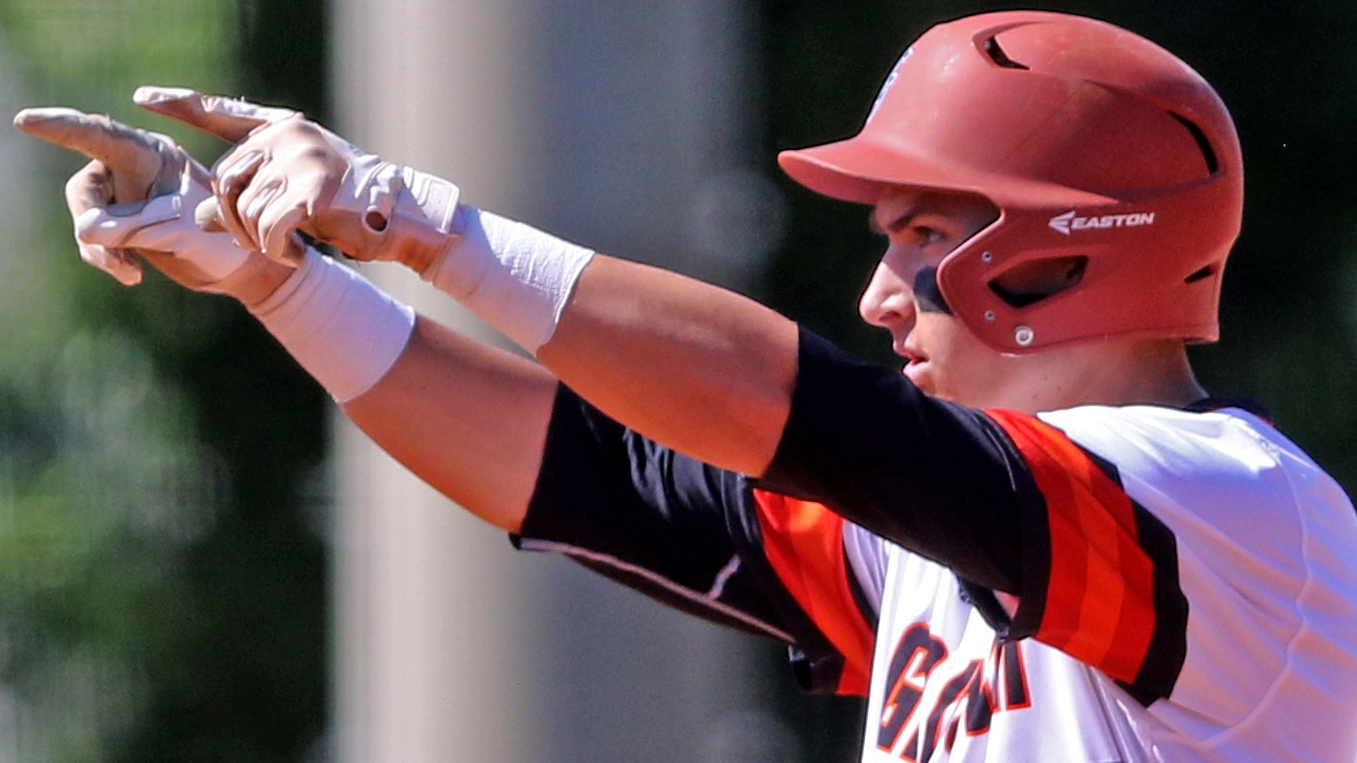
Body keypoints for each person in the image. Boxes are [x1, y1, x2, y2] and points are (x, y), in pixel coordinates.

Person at [16, 10, 1357, 762]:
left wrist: (424, 223)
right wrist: (281, 283)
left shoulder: (1227, 511)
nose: (880, 293)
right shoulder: (959, 534)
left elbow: (817, 424)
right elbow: (596, 479)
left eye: (925, 238)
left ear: (1065, 254)